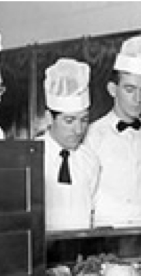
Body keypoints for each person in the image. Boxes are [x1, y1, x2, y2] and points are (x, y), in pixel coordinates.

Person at [83, 34, 141, 226]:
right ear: (113, 89)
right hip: (105, 234)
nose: (138, 98)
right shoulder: (93, 135)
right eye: (129, 89)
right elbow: (86, 194)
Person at [36, 58, 99, 231]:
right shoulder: (32, 155)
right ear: (49, 118)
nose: (78, 129)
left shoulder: (90, 160)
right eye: (69, 120)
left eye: (84, 120)